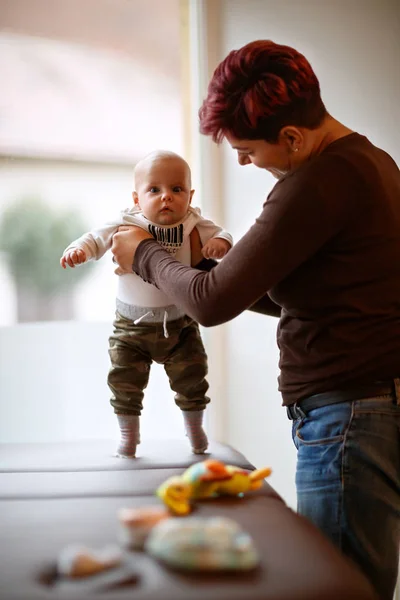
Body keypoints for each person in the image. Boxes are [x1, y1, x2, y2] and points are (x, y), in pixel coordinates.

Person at [110, 41, 400, 599]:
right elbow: (308, 298)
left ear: (291, 137)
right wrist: (214, 269)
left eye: (246, 150)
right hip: (365, 412)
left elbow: (212, 304)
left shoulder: (315, 184)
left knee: (337, 590)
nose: (243, 162)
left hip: (347, 422)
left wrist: (145, 254)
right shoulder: (371, 163)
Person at [60, 150, 232, 458]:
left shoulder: (194, 221)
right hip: (131, 327)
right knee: (124, 382)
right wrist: (79, 250)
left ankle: (195, 429)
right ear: (137, 198)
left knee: (192, 379)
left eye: (176, 189)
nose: (166, 197)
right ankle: (128, 437)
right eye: (155, 190)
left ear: (190, 196)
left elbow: (222, 235)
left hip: (180, 325)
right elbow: (95, 239)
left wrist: (220, 244)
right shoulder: (127, 220)